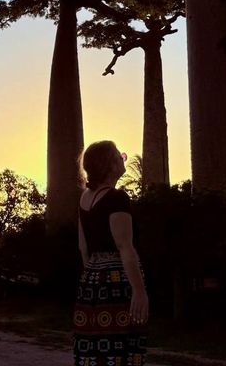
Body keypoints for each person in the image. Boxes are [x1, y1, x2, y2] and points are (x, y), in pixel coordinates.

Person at [72, 140, 149, 366]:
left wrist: (93, 277)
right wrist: (139, 290)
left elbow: (83, 248)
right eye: (119, 155)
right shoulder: (117, 198)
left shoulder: (84, 198)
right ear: (110, 165)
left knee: (96, 348)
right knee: (122, 347)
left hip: (91, 280)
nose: (123, 157)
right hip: (118, 282)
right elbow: (125, 246)